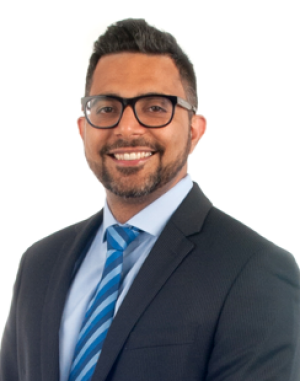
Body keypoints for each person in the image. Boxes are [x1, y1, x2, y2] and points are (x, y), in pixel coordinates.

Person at [0, 18, 299, 381]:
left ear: (194, 130)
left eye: (156, 107)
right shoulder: (39, 264)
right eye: (107, 107)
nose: (126, 128)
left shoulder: (255, 272)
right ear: (84, 129)